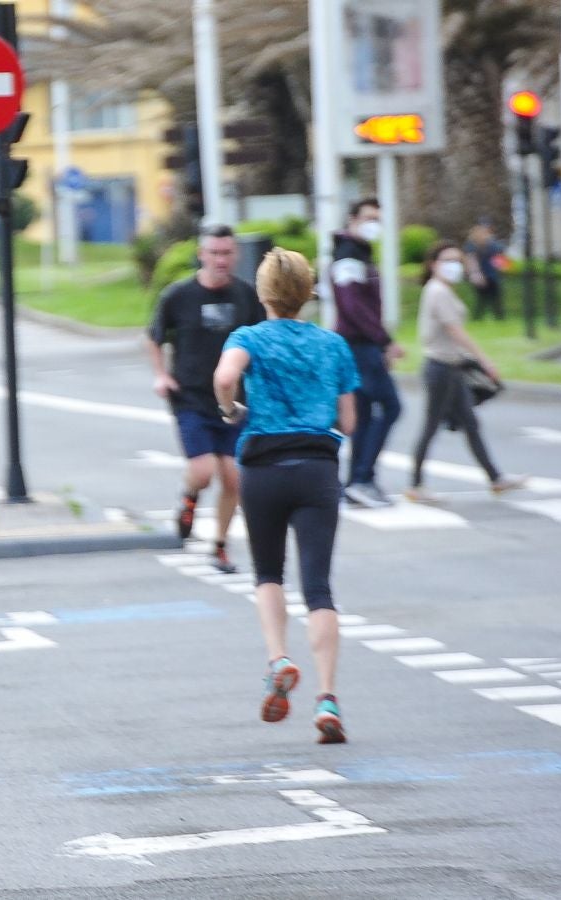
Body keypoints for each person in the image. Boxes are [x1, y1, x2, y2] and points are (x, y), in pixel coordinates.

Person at [213, 247, 359, 745]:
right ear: (308, 293)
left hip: (263, 468)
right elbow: (350, 420)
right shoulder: (333, 345)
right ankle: (328, 699)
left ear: (263, 293)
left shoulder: (248, 336)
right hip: (317, 467)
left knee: (269, 573)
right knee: (319, 589)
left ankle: (279, 659)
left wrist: (232, 409)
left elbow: (226, 377)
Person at [145, 225, 264, 574]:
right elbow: (153, 337)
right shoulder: (178, 295)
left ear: (236, 255)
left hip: (235, 401)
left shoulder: (246, 296)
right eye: (214, 253)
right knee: (203, 470)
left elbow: (260, 342)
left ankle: (220, 546)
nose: (221, 260)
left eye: (227, 253)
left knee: (234, 478)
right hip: (191, 395)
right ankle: (189, 498)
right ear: (202, 254)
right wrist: (161, 374)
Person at [403, 243, 528, 504]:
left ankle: (495, 478)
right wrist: (484, 360)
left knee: (470, 423)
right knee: (430, 426)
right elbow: (454, 331)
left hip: (451, 368)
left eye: (457, 260)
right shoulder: (437, 291)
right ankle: (415, 484)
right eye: (448, 260)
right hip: (440, 368)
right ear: (433, 264)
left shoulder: (443, 291)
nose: (454, 265)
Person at [332, 198, 402, 508]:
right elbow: (352, 306)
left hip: (363, 345)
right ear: (352, 219)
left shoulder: (359, 253)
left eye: (378, 218)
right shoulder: (348, 255)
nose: (375, 224)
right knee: (389, 407)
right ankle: (361, 478)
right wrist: (383, 340)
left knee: (362, 415)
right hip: (358, 346)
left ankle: (357, 480)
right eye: (369, 217)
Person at [461, 221, 507, 321]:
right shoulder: (472, 246)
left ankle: (499, 317)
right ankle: (478, 318)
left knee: (496, 298)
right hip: (480, 275)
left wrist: (501, 267)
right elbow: (471, 260)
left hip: (492, 275)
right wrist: (476, 274)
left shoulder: (493, 245)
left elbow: (499, 260)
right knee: (482, 299)